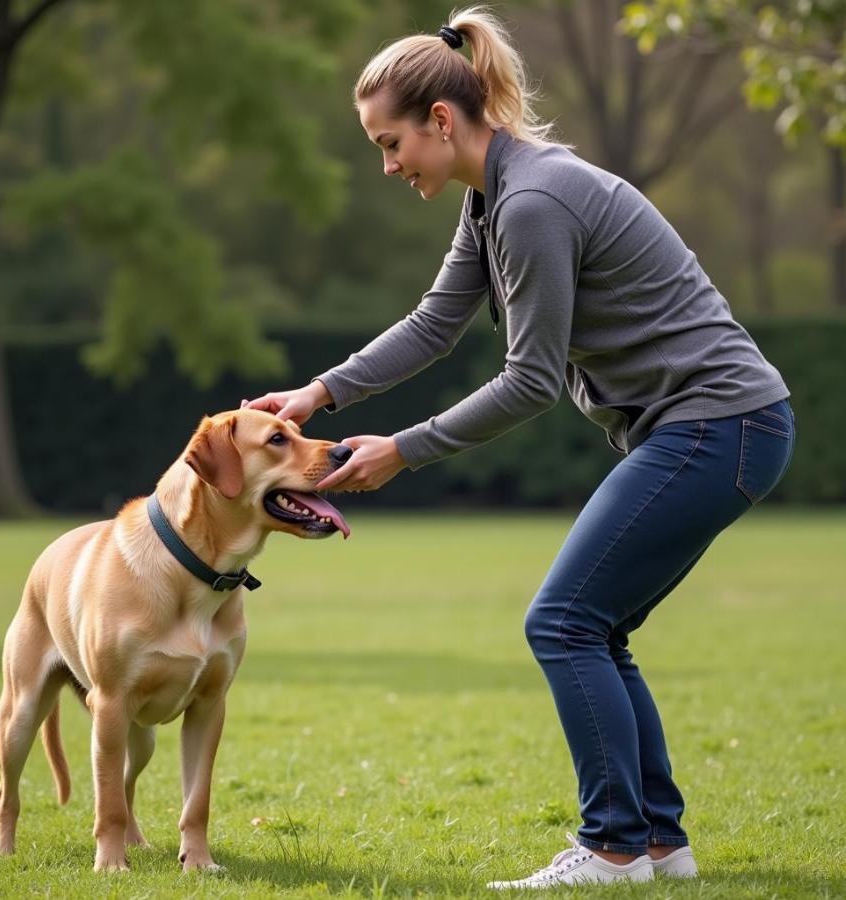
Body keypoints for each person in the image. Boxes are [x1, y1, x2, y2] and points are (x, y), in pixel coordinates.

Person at [244, 6, 795, 889]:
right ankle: (659, 845)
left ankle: (612, 848)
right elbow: (435, 323)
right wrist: (321, 392)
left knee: (564, 621)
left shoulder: (533, 201)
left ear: (442, 120)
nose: (389, 167)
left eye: (392, 145)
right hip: (715, 429)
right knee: (596, 627)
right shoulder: (493, 195)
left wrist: (406, 450)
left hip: (718, 425)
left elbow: (531, 379)